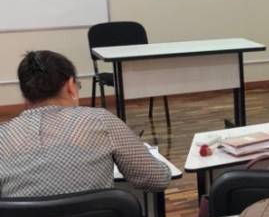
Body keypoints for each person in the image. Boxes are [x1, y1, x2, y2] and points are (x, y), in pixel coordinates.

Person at [0, 50, 171, 197]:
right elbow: (157, 179)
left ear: (24, 94)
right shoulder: (101, 120)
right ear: (70, 86)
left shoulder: (3, 135)